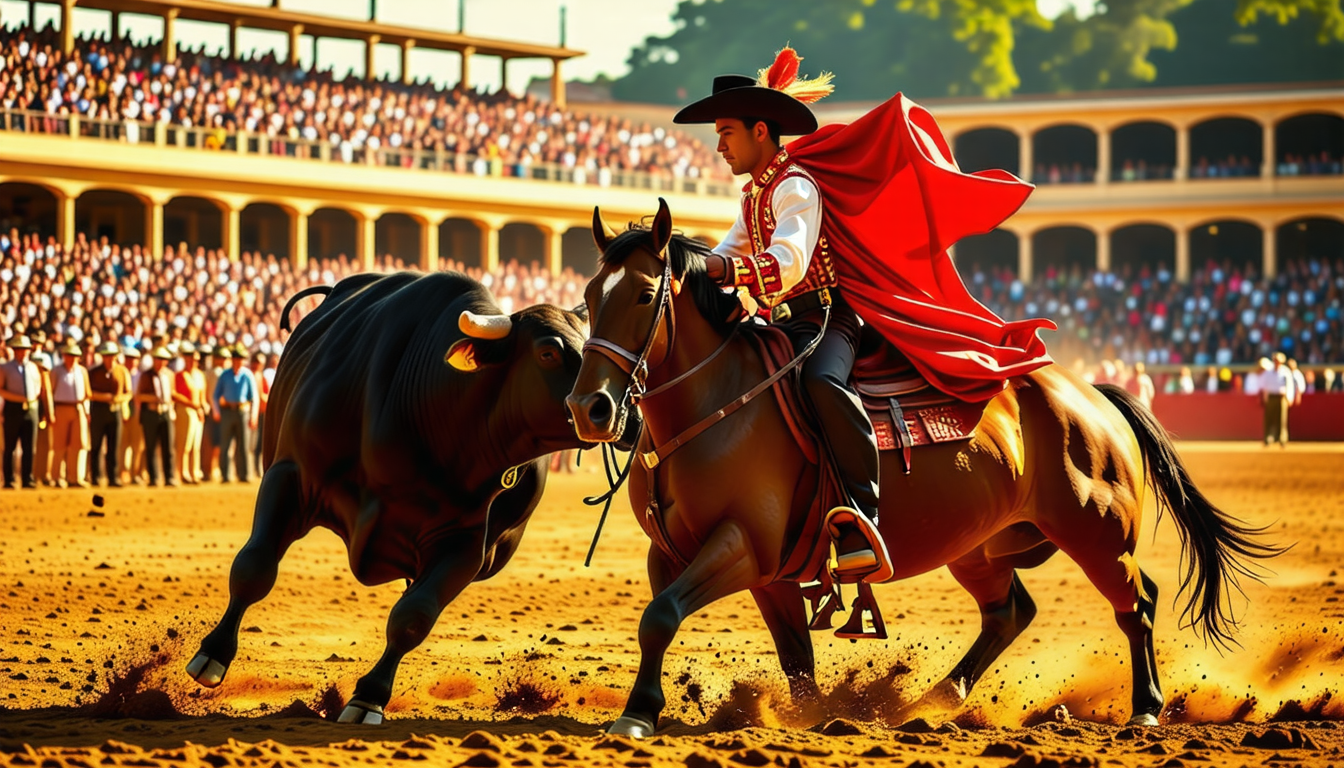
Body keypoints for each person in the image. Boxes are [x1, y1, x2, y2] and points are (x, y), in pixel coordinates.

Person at [674, 46, 1054, 583]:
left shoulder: (795, 187)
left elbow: (788, 261)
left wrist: (727, 274)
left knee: (823, 383)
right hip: (786, 323)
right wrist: (691, 271)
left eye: (726, 133)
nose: (718, 146)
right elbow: (729, 250)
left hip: (830, 319)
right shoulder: (755, 196)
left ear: (761, 131)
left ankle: (862, 515)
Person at [1, 334, 42, 488]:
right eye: (20, 349)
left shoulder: (32, 367)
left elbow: (38, 385)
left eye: (25, 349)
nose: (23, 352)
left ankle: (27, 478)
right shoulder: (5, 368)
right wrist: (18, 399)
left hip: (31, 409)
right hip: (13, 408)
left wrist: (32, 398)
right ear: (15, 350)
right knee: (10, 445)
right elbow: (1, 389)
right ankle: (9, 479)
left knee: (29, 446)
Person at [87, 341, 130, 487]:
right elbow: (88, 392)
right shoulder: (94, 372)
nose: (109, 359)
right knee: (96, 445)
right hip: (99, 410)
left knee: (113, 446)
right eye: (107, 356)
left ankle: (113, 477)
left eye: (112, 356)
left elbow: (128, 392)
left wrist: (118, 399)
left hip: (115, 410)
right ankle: (96, 477)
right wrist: (105, 397)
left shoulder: (122, 371)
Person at [51, 340, 92, 488]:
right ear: (63, 356)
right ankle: (57, 476)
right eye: (69, 355)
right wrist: (51, 411)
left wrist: (86, 411)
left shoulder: (82, 371)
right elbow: (50, 392)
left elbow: (87, 393)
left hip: (78, 408)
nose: (72, 358)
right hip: (61, 407)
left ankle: (76, 477)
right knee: (59, 444)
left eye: (75, 356)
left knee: (79, 444)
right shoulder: (56, 371)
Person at [213, 348, 256, 483]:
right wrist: (217, 411)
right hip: (227, 411)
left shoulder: (247, 375)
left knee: (243, 445)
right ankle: (225, 475)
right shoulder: (225, 375)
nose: (238, 362)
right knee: (225, 444)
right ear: (232, 360)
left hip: (242, 411)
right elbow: (216, 395)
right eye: (236, 359)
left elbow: (254, 397)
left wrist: (253, 415)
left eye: (241, 359)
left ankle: (244, 474)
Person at [136, 347, 178, 486]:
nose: (160, 362)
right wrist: (154, 398)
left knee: (168, 447)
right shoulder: (146, 375)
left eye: (163, 360)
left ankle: (169, 477)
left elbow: (172, 393)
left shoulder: (170, 375)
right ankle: (153, 477)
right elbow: (139, 395)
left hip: (166, 411)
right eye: (158, 359)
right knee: (151, 446)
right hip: (151, 412)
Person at [173, 342, 207, 484]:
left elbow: (202, 396)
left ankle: (194, 472)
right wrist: (191, 404)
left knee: (196, 444)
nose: (192, 362)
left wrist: (203, 407)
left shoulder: (199, 375)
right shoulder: (180, 375)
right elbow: (174, 394)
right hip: (184, 410)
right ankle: (183, 472)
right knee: (184, 444)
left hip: (196, 411)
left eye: (194, 359)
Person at [1261, 352, 1293, 448]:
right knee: (1269, 419)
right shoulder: (1268, 372)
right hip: (1271, 396)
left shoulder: (1286, 372)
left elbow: (1290, 385)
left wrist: (1289, 397)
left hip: (1281, 397)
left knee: (1282, 419)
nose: (1276, 362)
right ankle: (1268, 438)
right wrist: (1265, 397)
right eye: (1275, 360)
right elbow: (1265, 385)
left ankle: (1282, 439)